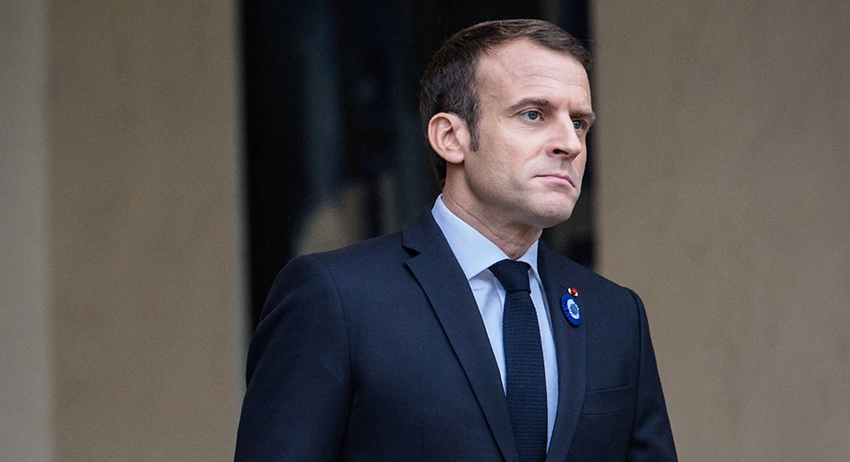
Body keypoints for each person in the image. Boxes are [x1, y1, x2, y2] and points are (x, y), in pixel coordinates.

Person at [234, 18, 677, 462]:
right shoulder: (336, 298)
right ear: (450, 137)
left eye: (579, 123)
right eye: (533, 114)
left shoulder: (616, 315)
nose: (570, 144)